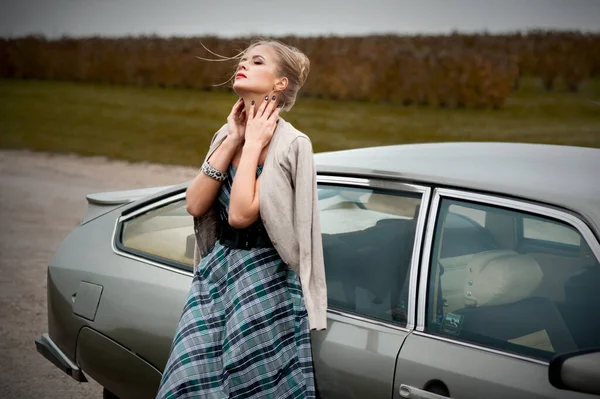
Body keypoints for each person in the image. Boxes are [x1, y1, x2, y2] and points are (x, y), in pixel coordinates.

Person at [155, 40, 327, 399]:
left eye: (257, 61)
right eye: (243, 59)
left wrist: (252, 146)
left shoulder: (292, 144)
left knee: (252, 388)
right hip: (216, 274)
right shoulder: (227, 133)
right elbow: (195, 203)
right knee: (185, 382)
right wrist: (235, 138)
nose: (243, 64)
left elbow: (240, 214)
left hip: (265, 282)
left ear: (280, 83)